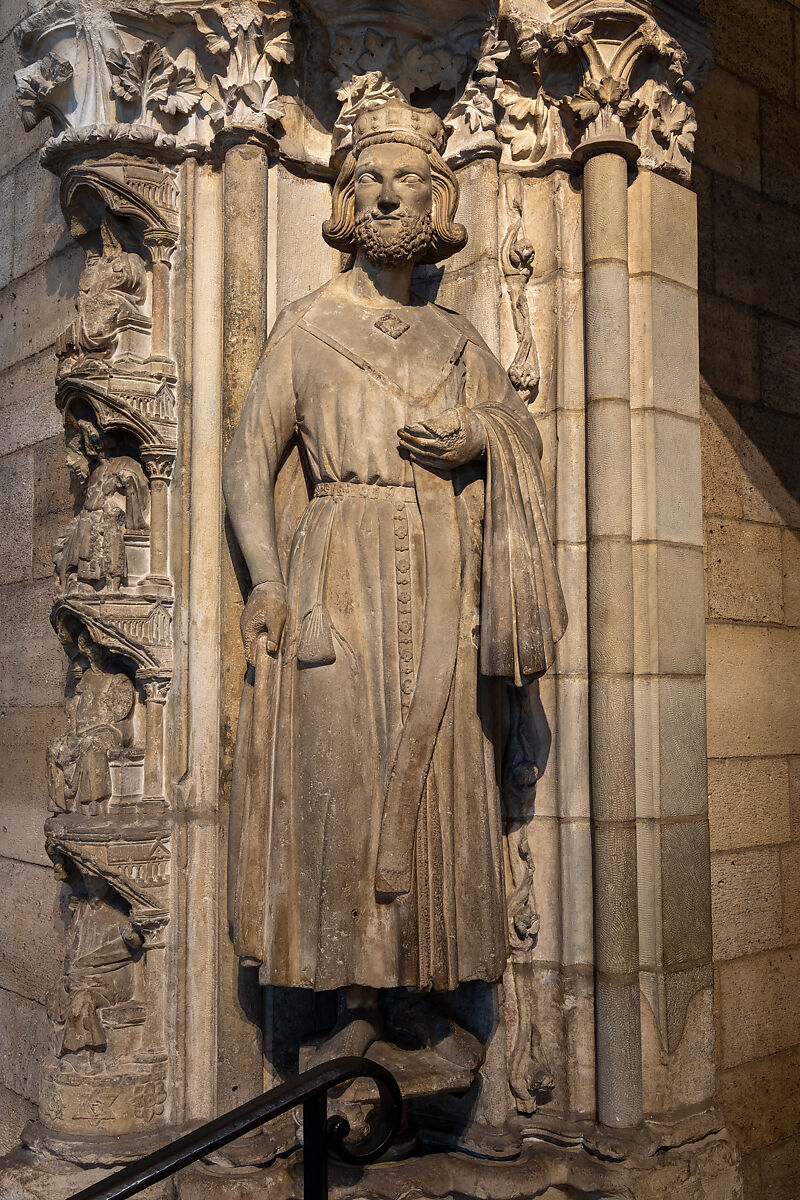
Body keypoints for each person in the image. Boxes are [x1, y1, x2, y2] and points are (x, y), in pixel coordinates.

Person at [223, 101, 566, 1069]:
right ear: (341, 202)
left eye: (408, 178)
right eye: (366, 178)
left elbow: (522, 439)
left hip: (442, 569)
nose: (385, 192)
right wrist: (264, 585)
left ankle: (418, 985)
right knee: (338, 772)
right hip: (337, 561)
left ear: (439, 200)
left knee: (439, 775)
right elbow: (250, 461)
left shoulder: (457, 338)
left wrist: (478, 438)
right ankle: (347, 990)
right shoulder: (309, 325)